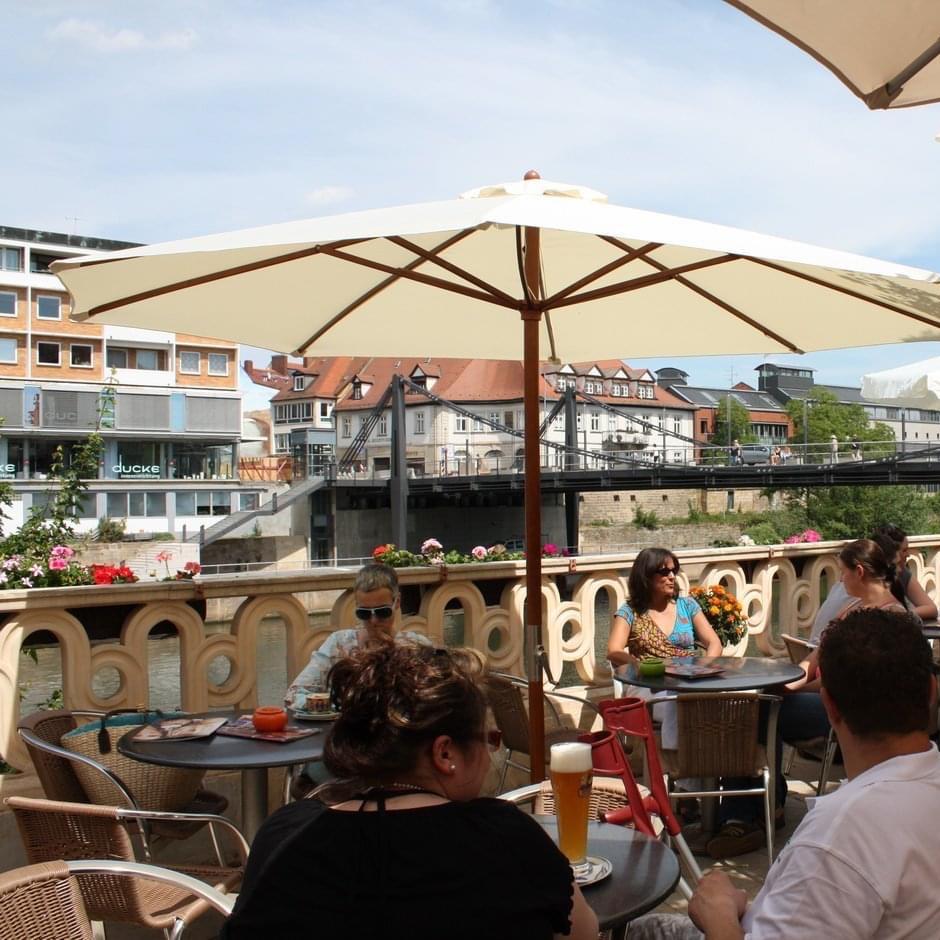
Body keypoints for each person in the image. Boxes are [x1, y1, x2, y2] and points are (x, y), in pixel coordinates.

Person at [222, 644, 598, 940]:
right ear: (445, 753)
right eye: (489, 740)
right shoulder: (503, 835)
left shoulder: (285, 835)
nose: (489, 757)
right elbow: (583, 932)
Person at [628, 607, 940, 939]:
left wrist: (717, 912)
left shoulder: (841, 838)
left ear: (829, 707)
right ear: (932, 691)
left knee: (638, 931)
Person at [708, 538, 907, 858]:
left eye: (842, 573)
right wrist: (788, 683)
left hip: (851, 713)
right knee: (757, 706)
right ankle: (761, 809)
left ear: (858, 571)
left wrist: (794, 688)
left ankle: (751, 813)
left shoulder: (891, 618)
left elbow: (852, 686)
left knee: (759, 711)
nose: (840, 580)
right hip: (826, 699)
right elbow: (811, 663)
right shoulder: (851, 609)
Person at [608, 548, 722, 749]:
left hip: (691, 681)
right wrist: (640, 665)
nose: (672, 577)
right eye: (664, 572)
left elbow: (714, 643)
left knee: (736, 701)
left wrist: (703, 667)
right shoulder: (630, 612)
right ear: (646, 576)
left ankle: (715, 765)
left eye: (674, 571)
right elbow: (613, 651)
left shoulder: (687, 605)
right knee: (679, 703)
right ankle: (678, 765)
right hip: (649, 685)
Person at [284, 562, 430, 709]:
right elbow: (294, 695)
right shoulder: (339, 643)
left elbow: (435, 700)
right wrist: (337, 706)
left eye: (382, 612)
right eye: (364, 613)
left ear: (397, 602)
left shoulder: (416, 646)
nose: (373, 621)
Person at [874, 524, 938, 621]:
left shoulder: (903, 573)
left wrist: (901, 614)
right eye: (904, 550)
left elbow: (931, 609)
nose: (908, 555)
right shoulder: (870, 576)